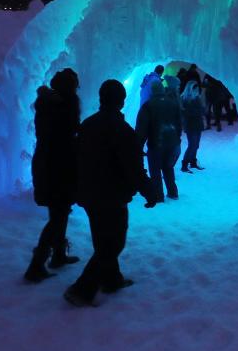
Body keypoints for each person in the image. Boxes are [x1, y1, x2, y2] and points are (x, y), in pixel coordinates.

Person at [64, 80, 147, 307]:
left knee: (103, 239)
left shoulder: (88, 125)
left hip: (89, 194)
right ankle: (82, 289)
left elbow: (74, 159)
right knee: (113, 243)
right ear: (120, 100)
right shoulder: (121, 130)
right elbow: (134, 167)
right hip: (111, 196)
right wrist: (149, 191)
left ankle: (112, 279)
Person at [24, 69, 82, 283]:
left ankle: (58, 254)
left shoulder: (49, 104)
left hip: (50, 163)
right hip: (58, 165)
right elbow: (66, 135)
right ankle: (37, 264)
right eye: (74, 85)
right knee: (58, 214)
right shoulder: (61, 106)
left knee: (60, 211)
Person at [136, 78, 182, 203]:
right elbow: (179, 123)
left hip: (156, 143)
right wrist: (178, 139)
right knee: (168, 168)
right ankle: (173, 192)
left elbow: (142, 127)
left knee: (155, 170)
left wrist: (138, 145)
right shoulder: (172, 103)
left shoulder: (148, 105)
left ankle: (158, 195)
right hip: (172, 142)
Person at [180, 80, 205, 173]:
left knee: (196, 145)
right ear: (190, 89)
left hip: (197, 124)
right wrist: (198, 111)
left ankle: (193, 162)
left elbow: (202, 110)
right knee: (192, 145)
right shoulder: (184, 99)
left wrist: (199, 110)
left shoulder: (197, 98)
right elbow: (187, 113)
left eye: (197, 88)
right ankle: (184, 164)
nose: (197, 90)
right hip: (191, 125)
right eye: (195, 88)